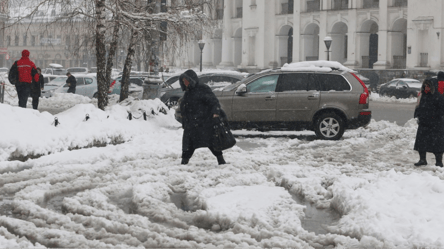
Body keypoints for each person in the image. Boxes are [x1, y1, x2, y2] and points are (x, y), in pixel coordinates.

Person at [179, 69, 226, 165]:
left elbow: (214, 101)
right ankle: (184, 161)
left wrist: (215, 113)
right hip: (191, 124)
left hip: (204, 122)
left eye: (186, 81)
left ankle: (221, 160)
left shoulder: (202, 88)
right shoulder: (188, 91)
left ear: (191, 80)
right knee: (188, 144)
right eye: (183, 81)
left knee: (212, 142)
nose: (185, 83)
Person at [413, 78, 444, 167]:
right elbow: (419, 106)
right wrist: (418, 114)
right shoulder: (423, 95)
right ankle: (422, 159)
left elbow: (442, 110)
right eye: (425, 86)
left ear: (433, 86)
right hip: (424, 123)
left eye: (428, 86)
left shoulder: (438, 97)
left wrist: (432, 116)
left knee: (437, 144)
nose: (426, 87)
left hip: (436, 125)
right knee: (421, 143)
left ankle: (439, 161)